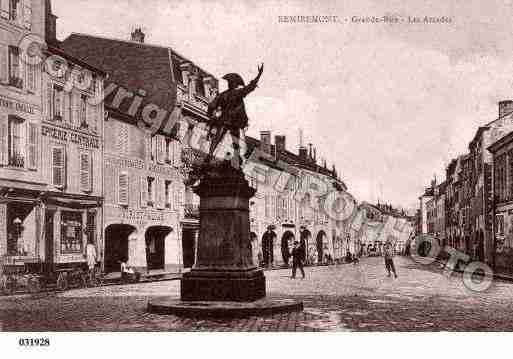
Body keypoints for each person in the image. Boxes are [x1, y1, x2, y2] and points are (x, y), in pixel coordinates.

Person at [206, 63, 264, 167]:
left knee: (217, 139)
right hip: (234, 122)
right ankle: (236, 158)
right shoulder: (238, 93)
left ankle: (209, 156)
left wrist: (211, 117)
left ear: (230, 84)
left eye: (230, 82)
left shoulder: (223, 95)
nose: (231, 84)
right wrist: (259, 75)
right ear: (235, 84)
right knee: (235, 140)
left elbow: (211, 105)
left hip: (224, 120)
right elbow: (250, 87)